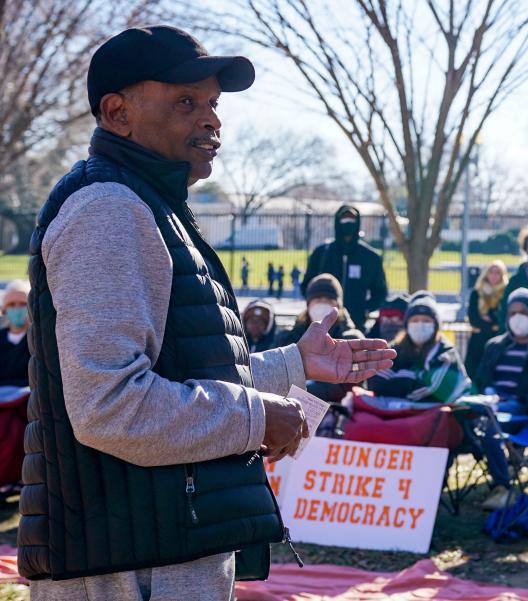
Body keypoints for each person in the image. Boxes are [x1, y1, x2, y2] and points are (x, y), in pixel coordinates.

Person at [20, 25, 396, 597]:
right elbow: (109, 406)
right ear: (117, 113)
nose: (212, 120)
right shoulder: (109, 209)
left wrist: (294, 364)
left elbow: (183, 373)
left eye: (213, 104)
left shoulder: (148, 203)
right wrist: (256, 418)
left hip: (157, 539)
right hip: (129, 560)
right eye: (185, 101)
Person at [473, 288, 528, 510]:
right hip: (488, 401)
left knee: (489, 428)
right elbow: (481, 378)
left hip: (520, 408)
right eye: (512, 313)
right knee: (458, 418)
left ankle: (502, 485)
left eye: (523, 312)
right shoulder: (495, 345)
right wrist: (489, 392)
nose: (517, 318)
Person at [278, 274, 365, 404]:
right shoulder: (288, 337)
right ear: (308, 303)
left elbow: (350, 386)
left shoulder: (352, 339)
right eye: (318, 299)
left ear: (338, 305)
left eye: (328, 300)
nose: (322, 303)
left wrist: (304, 390)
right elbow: (278, 377)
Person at [369, 293, 470, 403]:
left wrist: (402, 379)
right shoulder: (395, 349)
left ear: (435, 326)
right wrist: (412, 380)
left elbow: (435, 389)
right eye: (415, 320)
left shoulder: (447, 353)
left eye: (426, 321)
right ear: (407, 325)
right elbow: (376, 382)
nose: (420, 325)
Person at [302, 205, 389, 326]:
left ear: (358, 222)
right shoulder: (321, 253)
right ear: (337, 222)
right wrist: (316, 305)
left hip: (356, 322)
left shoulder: (371, 257)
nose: (348, 223)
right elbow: (307, 285)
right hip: (321, 322)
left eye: (352, 219)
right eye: (344, 219)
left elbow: (380, 292)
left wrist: (364, 309)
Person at [465, 260, 507, 380]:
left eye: (497, 273)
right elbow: (473, 318)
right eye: (491, 272)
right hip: (477, 341)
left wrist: (488, 321)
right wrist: (491, 325)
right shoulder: (476, 293)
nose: (494, 275)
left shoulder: (505, 293)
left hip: (498, 339)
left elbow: (502, 318)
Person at [0, 280, 30, 387]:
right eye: (11, 304)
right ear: (4, 309)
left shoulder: (38, 342)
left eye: (23, 304)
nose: (17, 309)